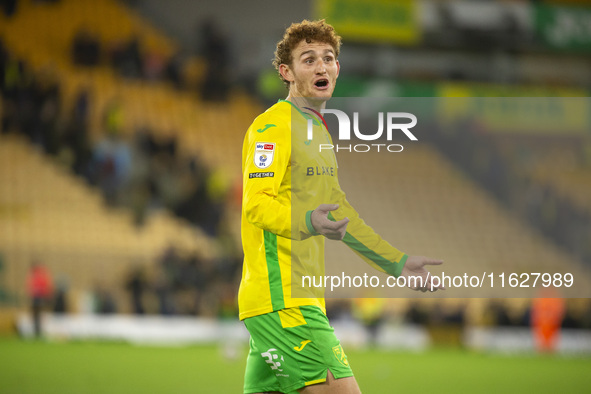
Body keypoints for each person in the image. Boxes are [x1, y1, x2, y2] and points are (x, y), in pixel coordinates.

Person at [239, 20, 444, 394]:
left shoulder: (318, 130)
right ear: (286, 72)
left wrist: (395, 262)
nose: (321, 66)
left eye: (328, 58)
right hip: (284, 301)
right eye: (308, 59)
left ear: (338, 69)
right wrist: (306, 221)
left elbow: (340, 212)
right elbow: (255, 205)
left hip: (290, 301)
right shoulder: (272, 127)